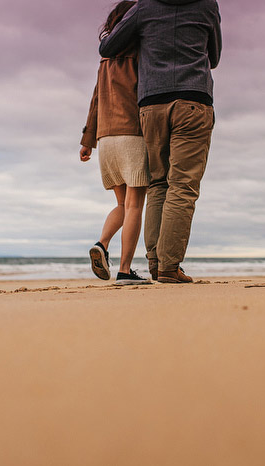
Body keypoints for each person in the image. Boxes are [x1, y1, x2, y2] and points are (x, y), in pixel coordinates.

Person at [99, 0, 221, 284]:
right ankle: (169, 266)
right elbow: (213, 57)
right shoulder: (207, 5)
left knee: (158, 183)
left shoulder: (144, 8)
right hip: (193, 98)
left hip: (151, 104)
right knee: (183, 185)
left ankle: (155, 263)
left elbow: (108, 48)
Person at [80, 1, 152, 286]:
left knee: (122, 204)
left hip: (106, 138)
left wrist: (87, 141)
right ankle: (125, 270)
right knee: (135, 205)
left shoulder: (105, 59)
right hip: (132, 133)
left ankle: (102, 243)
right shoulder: (139, 53)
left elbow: (96, 100)